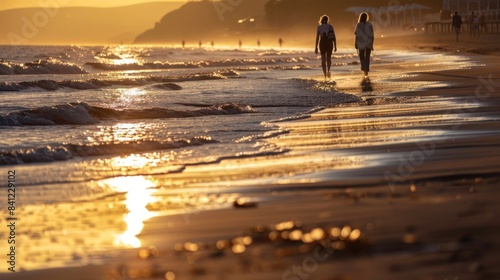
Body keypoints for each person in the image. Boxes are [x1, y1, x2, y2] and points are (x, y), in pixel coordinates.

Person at [314, 15, 337, 80]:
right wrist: (335, 46)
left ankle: (324, 74)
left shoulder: (319, 27)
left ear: (321, 20)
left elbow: (317, 38)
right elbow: (333, 36)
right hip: (329, 43)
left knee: (323, 59)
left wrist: (316, 47)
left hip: (322, 43)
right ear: (327, 20)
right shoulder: (330, 26)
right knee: (329, 58)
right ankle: (328, 70)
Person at [354, 12, 374, 77]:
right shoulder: (370, 24)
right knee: (367, 57)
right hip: (368, 42)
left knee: (362, 57)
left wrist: (355, 43)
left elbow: (356, 35)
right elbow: (372, 35)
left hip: (361, 43)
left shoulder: (359, 25)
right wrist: (372, 44)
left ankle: (363, 68)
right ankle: (366, 70)